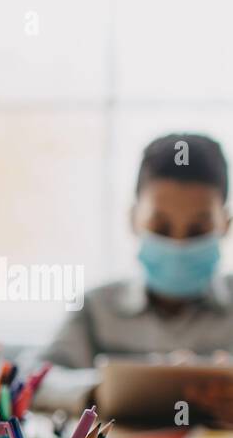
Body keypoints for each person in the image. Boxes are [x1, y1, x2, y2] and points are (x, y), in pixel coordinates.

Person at [40, 132, 233, 418]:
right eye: (160, 227)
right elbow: (34, 380)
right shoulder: (96, 307)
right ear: (134, 220)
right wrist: (101, 391)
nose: (178, 245)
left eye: (197, 231)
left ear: (225, 225)